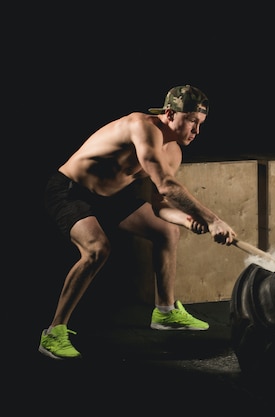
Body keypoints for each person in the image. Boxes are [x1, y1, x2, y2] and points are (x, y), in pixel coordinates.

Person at [39, 84, 237, 360]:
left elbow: (160, 204)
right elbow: (167, 186)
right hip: (70, 190)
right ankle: (53, 332)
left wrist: (188, 220)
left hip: (111, 197)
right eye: (192, 121)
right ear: (170, 113)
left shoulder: (174, 152)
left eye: (200, 123)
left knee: (167, 231)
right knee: (97, 249)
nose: (196, 131)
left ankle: (165, 312)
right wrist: (213, 219)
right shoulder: (142, 126)